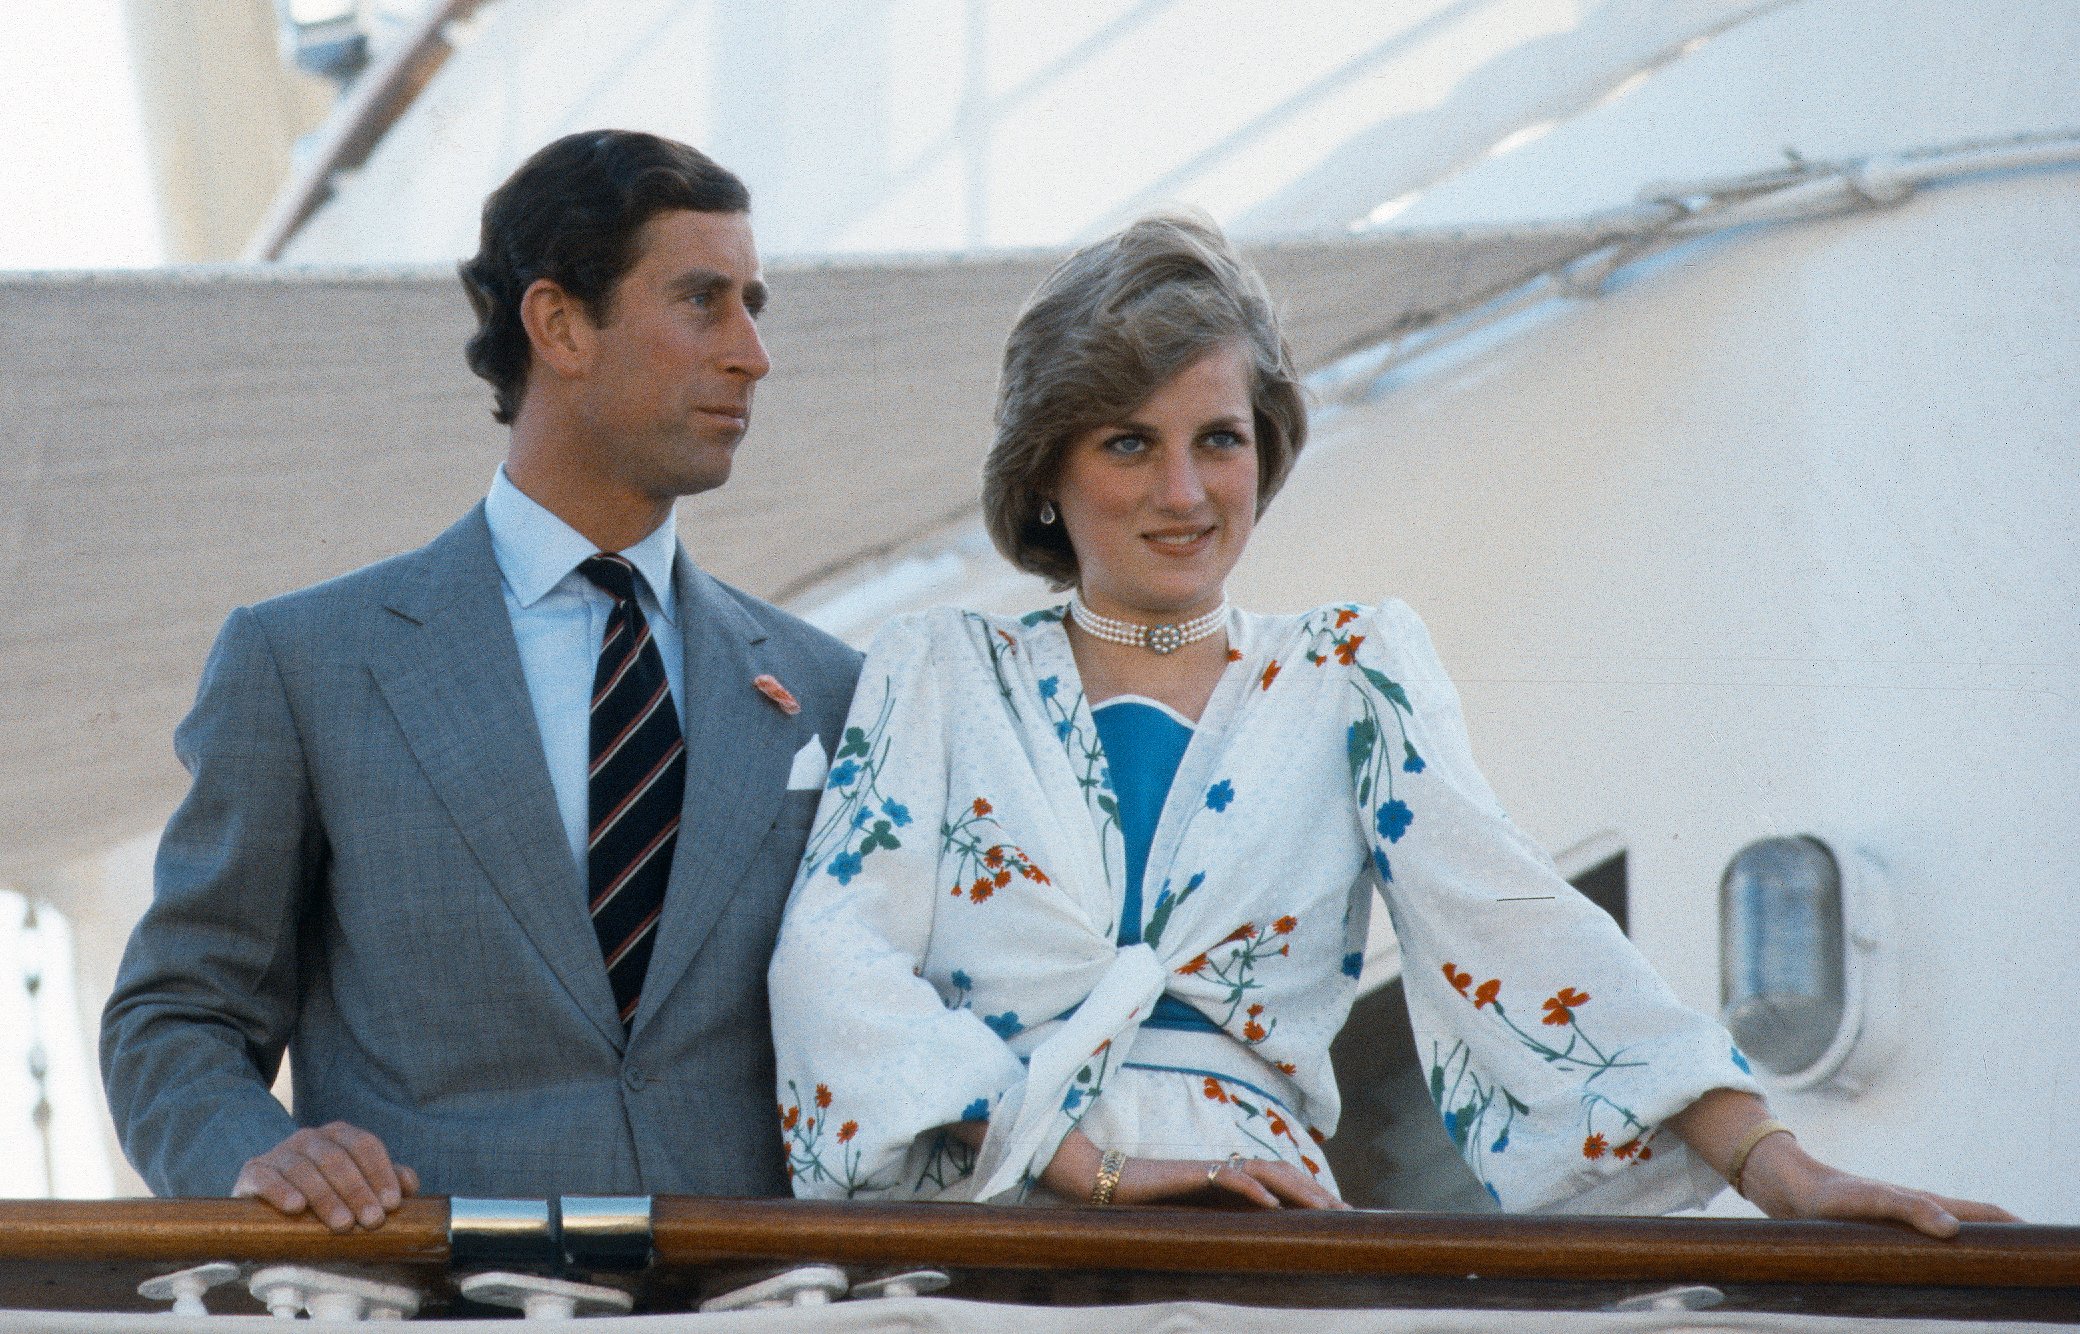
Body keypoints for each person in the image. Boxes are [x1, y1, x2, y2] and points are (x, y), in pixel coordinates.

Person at [767, 213, 2012, 1233]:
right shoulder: (939, 669)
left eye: (1219, 438)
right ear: (1045, 470)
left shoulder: (1350, 672)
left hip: (1253, 1225)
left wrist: (1776, 1165)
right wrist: (1083, 1163)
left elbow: (1512, 922)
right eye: (1126, 443)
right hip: (981, 1227)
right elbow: (834, 962)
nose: (1185, 490)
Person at [101, 130, 861, 1231]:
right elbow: (175, 1014)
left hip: (756, 1297)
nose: (752, 351)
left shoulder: (825, 687)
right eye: (702, 300)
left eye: (754, 303)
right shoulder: (309, 663)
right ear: (558, 324)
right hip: (433, 1294)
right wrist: (259, 1156)